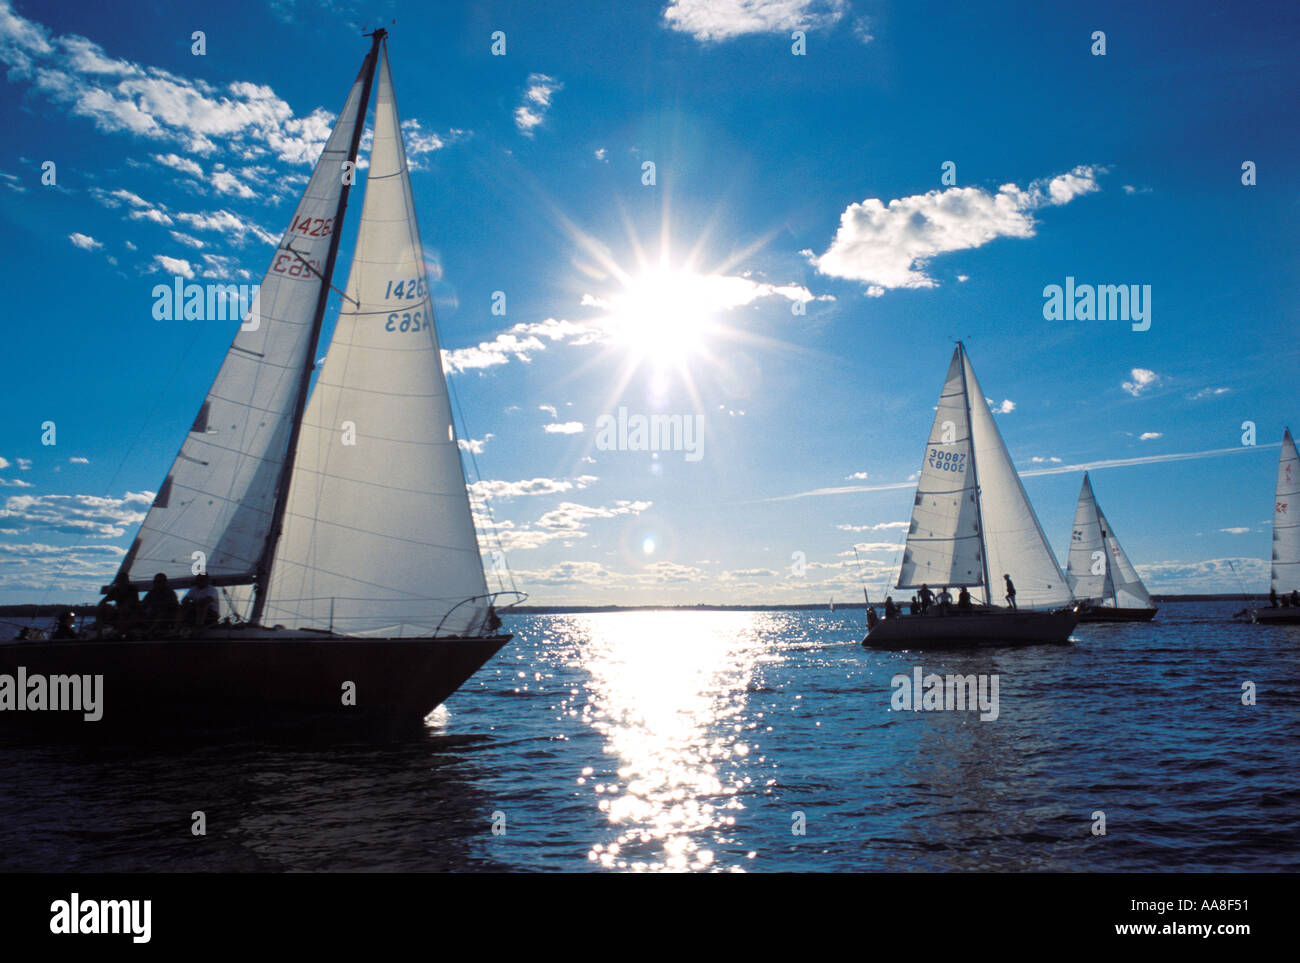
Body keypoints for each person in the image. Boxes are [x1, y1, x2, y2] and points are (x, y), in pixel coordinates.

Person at [97, 571, 139, 638]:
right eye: (120, 580)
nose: (121, 582)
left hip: (132, 611)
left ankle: (120, 633)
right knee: (102, 608)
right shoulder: (116, 590)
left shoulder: (132, 589)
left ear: (127, 581)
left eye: (123, 580)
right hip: (119, 611)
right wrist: (101, 606)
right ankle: (99, 634)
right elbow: (104, 600)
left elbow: (130, 602)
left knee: (123, 610)